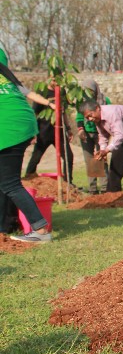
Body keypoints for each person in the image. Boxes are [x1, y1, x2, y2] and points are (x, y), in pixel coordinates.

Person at [1, 47, 56, 242]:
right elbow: (29, 95)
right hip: (23, 125)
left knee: (10, 184)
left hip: (8, 128)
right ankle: (5, 226)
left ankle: (40, 230)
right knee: (6, 181)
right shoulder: (7, 78)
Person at [79, 100, 123, 195]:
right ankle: (112, 194)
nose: (90, 119)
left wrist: (107, 150)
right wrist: (102, 150)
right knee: (116, 162)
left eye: (90, 115)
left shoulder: (111, 113)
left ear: (97, 108)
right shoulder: (97, 119)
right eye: (87, 117)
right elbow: (103, 136)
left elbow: (120, 135)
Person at [24, 82, 74, 183]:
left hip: (59, 131)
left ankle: (68, 183)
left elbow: (63, 111)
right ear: (50, 78)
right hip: (43, 132)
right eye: (54, 79)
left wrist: (68, 128)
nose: (56, 82)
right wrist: (33, 132)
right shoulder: (42, 91)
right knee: (36, 156)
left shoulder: (62, 92)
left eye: (58, 79)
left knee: (68, 156)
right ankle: (28, 179)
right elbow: (35, 112)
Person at [76, 79, 109, 194]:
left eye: (90, 90)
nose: (88, 92)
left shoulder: (104, 100)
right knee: (89, 160)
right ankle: (93, 189)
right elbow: (79, 117)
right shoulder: (81, 101)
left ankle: (105, 187)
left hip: (101, 133)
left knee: (101, 158)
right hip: (87, 133)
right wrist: (81, 129)